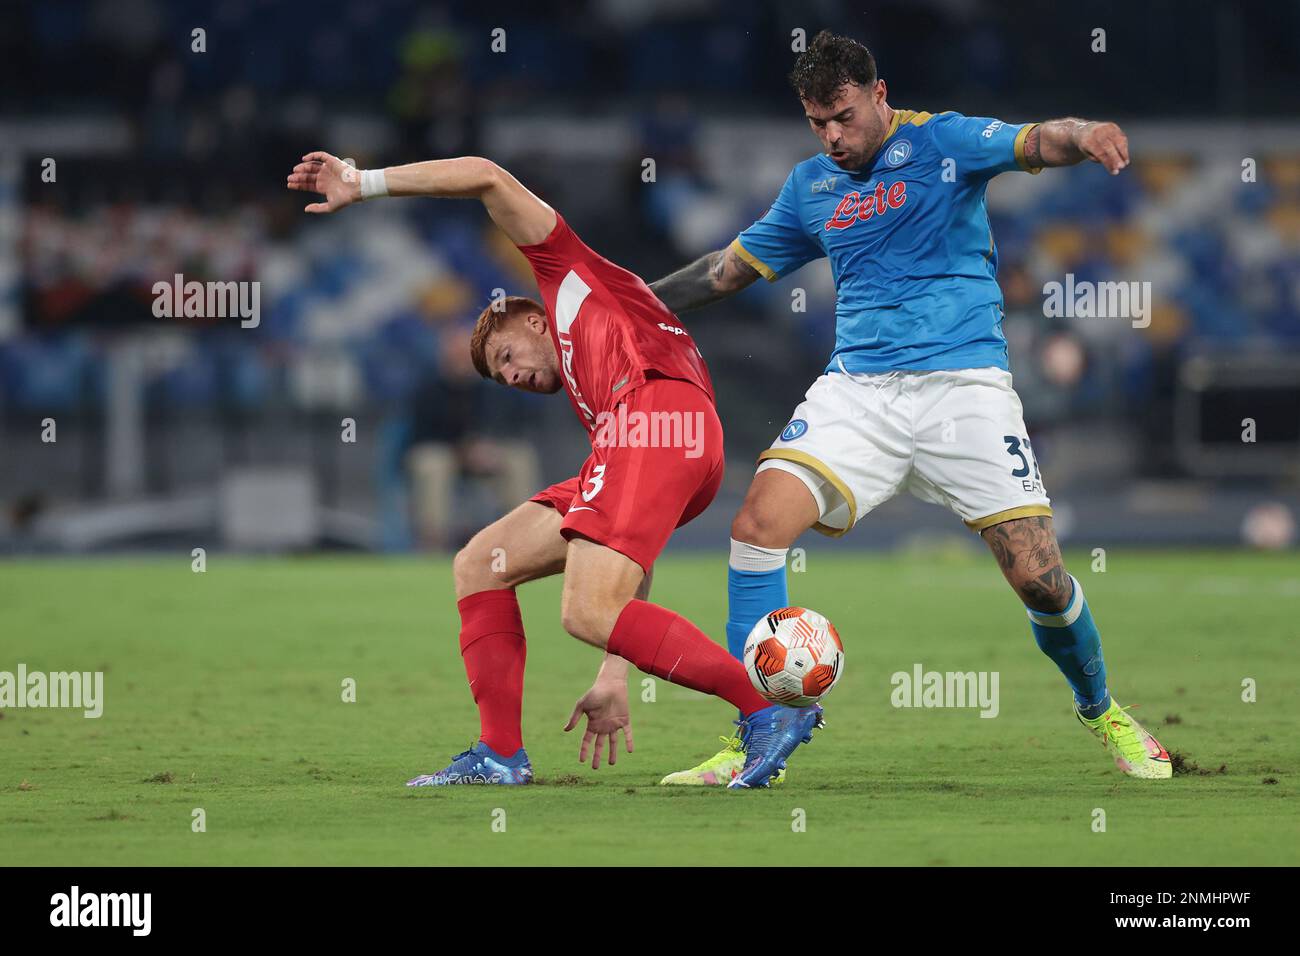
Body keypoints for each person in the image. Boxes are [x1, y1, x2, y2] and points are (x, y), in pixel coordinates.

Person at [648, 30, 1172, 784]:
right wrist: (629, 304)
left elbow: (1037, 143)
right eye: (817, 122)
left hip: (965, 388)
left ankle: (1102, 710)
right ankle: (760, 727)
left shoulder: (945, 142)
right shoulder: (810, 187)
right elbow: (728, 271)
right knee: (756, 527)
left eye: (844, 116)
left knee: (1039, 580)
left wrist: (1085, 134)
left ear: (879, 95)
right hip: (858, 392)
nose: (833, 136)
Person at [287, 150, 820, 788]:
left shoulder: (565, 275)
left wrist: (365, 182)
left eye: (508, 353)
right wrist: (613, 671)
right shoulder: (591, 388)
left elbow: (486, 175)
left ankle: (767, 710)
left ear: (535, 320)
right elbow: (630, 551)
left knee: (582, 610)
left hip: (657, 413)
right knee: (483, 563)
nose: (511, 375)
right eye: (500, 375)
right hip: (653, 437)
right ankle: (499, 753)